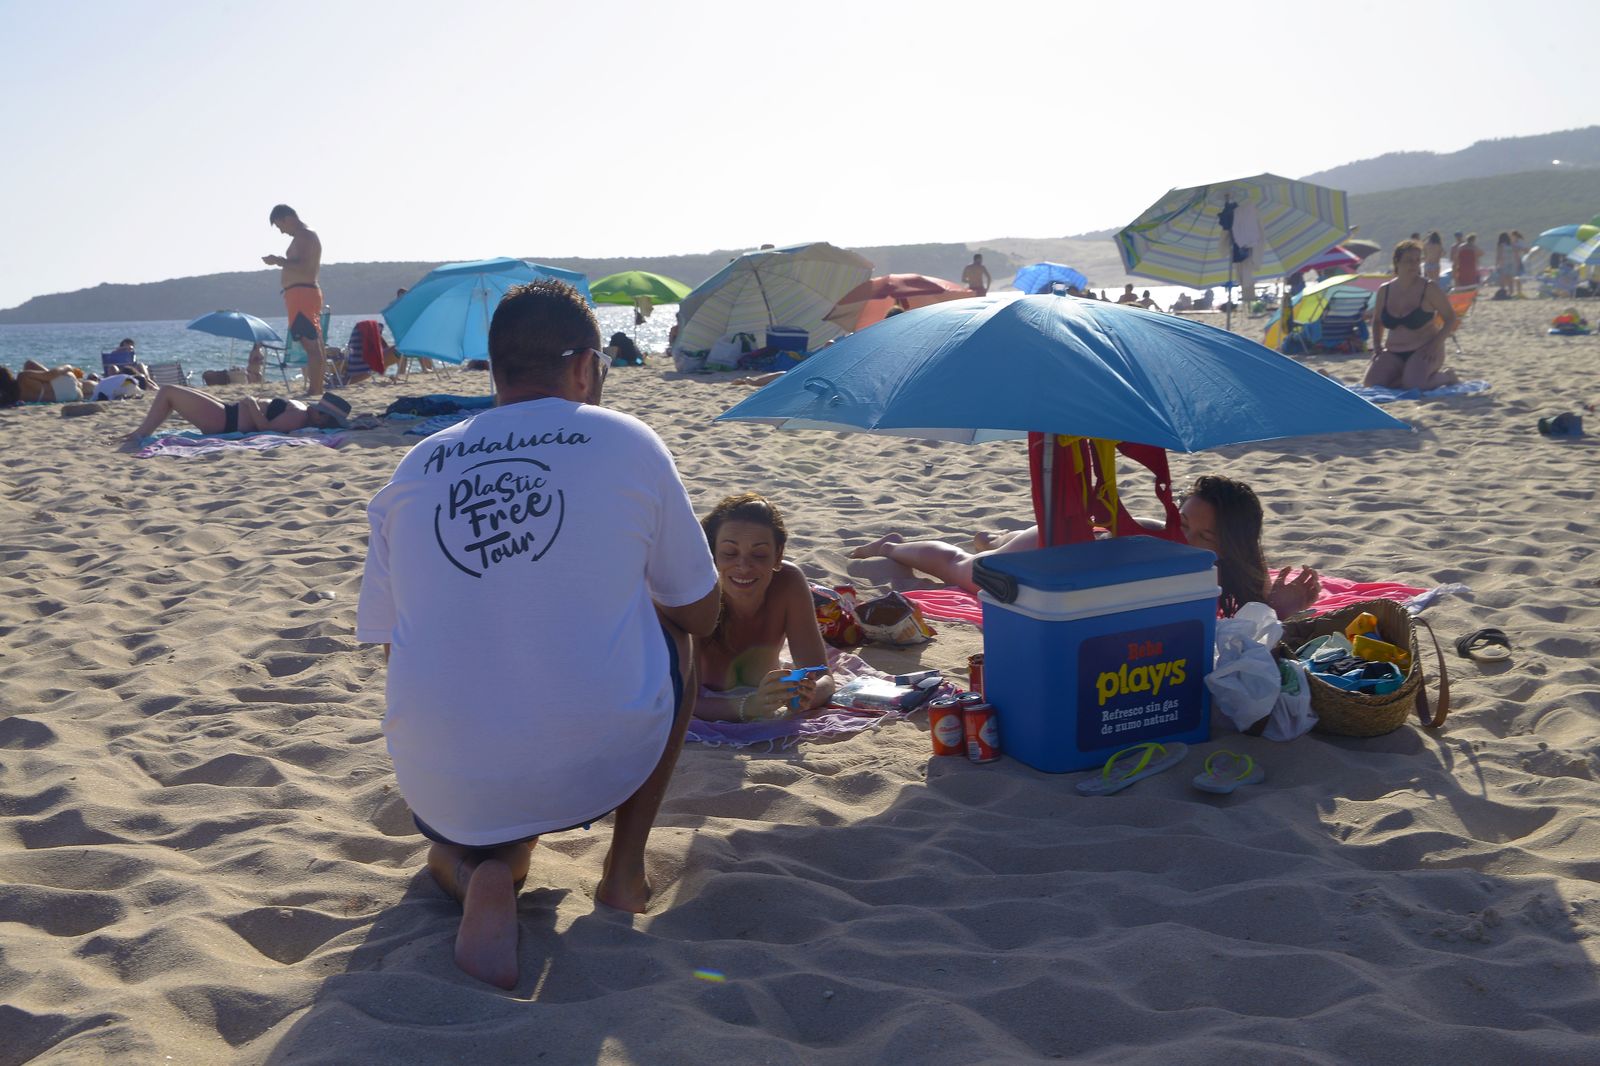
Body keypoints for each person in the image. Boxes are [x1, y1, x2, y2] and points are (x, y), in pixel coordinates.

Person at [354, 279, 720, 988]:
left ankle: (481, 875)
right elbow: (703, 613)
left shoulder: (415, 463)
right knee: (676, 635)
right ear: (586, 365)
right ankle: (621, 873)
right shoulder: (627, 439)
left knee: (481, 850)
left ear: (496, 370)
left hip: (447, 773)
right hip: (595, 754)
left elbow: (393, 642)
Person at [850, 475, 1319, 619]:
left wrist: (1279, 606)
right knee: (963, 568)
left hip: (1078, 544)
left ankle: (995, 538)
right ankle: (894, 546)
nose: (1188, 541)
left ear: (1236, 542)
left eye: (1205, 537)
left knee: (1000, 548)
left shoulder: (1245, 567)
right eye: (1184, 524)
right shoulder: (1164, 539)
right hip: (1070, 546)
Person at [693, 493, 836, 722]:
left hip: (765, 697)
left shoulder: (788, 582)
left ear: (778, 556)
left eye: (759, 554)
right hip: (708, 700)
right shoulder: (696, 592)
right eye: (730, 553)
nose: (744, 566)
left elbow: (824, 678)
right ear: (712, 556)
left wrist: (809, 696)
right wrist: (750, 705)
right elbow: (684, 700)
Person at [1363, 240, 1460, 392]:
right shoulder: (1385, 290)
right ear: (1397, 262)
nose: (1414, 265)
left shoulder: (1429, 288)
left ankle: (1448, 376)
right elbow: (1377, 321)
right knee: (1371, 384)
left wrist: (1435, 345)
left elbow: (1451, 318)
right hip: (1393, 351)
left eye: (1417, 260)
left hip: (1424, 349)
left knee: (1415, 386)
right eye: (1409, 261)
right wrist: (1377, 346)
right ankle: (1406, 374)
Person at [117, 385, 349, 448]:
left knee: (168, 392)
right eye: (320, 406)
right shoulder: (303, 410)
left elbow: (265, 430)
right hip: (229, 413)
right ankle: (141, 432)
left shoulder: (298, 417)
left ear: (320, 420)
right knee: (175, 392)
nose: (316, 410)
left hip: (226, 421)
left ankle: (139, 434)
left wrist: (251, 405)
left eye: (321, 412)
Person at [263, 204, 326, 395]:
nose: (282, 232)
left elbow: (304, 265)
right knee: (314, 343)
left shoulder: (304, 235)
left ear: (287, 218)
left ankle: (315, 389)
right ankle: (317, 388)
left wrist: (279, 261)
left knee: (310, 344)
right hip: (303, 293)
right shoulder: (305, 235)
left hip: (301, 294)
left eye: (280, 226)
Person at [1493, 232, 1518, 297]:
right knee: (1510, 279)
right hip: (1511, 263)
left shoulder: (1501, 245)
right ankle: (1511, 292)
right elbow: (1515, 254)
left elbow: (1499, 255)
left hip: (1503, 263)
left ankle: (1503, 291)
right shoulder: (1512, 244)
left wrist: (1496, 264)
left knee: (1503, 279)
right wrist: (1516, 263)